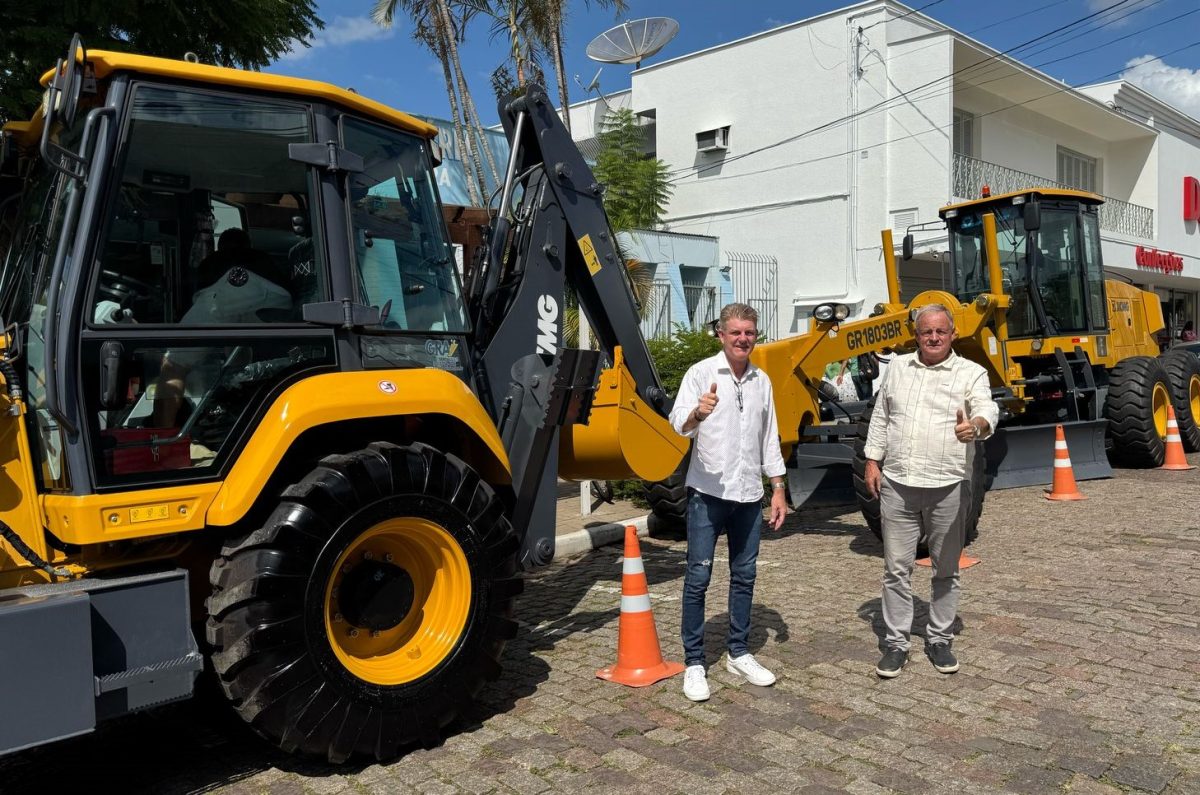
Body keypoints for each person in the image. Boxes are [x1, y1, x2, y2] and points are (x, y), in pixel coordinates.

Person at [862, 303, 999, 679]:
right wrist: (872, 461)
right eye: (927, 332)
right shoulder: (898, 370)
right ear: (916, 336)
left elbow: (988, 408)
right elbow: (881, 417)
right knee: (895, 570)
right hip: (899, 484)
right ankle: (896, 644)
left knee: (946, 569)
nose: (934, 337)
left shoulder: (971, 373)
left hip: (948, 486)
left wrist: (977, 426)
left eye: (941, 331)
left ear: (952, 334)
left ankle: (939, 638)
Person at [669, 302, 788, 702]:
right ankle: (695, 663)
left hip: (749, 495)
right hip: (707, 493)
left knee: (745, 575)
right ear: (721, 335)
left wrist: (777, 487)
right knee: (698, 577)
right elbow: (678, 424)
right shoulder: (701, 373)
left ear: (756, 336)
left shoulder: (762, 381)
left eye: (749, 333)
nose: (743, 339)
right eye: (735, 332)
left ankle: (738, 652)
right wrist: (697, 414)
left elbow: (769, 436)